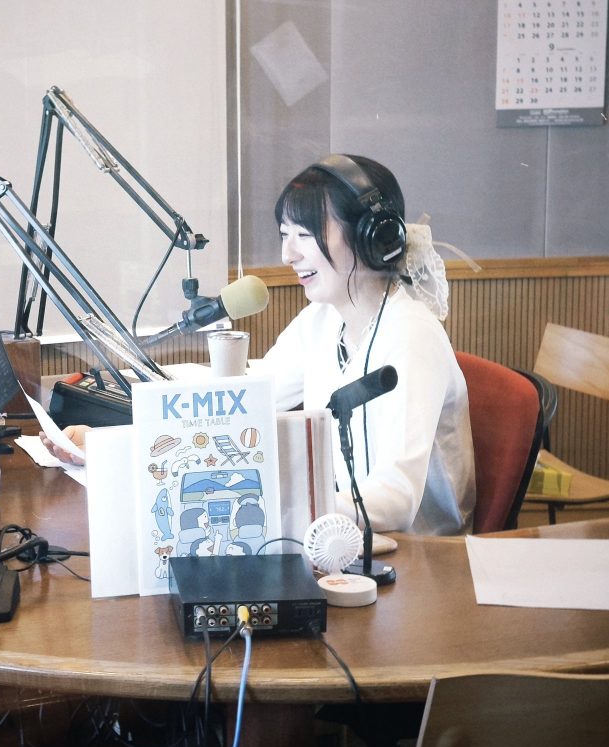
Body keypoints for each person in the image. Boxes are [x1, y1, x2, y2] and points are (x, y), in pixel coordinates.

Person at [43, 154, 475, 535]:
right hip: (341, 537)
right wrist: (115, 444)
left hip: (419, 562)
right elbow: (240, 401)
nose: (288, 254)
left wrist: (276, 501)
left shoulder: (411, 338)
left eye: (304, 234)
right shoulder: (324, 319)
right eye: (285, 234)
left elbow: (397, 500)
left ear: (370, 237)